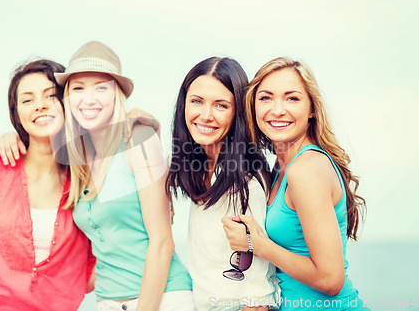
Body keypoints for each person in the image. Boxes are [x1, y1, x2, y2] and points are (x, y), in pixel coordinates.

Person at [0, 60, 96, 311]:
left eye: (51, 96)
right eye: (27, 100)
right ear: (17, 114)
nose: (40, 105)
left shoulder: (87, 183)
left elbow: (92, 272)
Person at [50, 41, 194, 311]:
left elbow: (162, 243)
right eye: (78, 88)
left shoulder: (138, 138)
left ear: (117, 94)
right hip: (107, 302)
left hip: (162, 300)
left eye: (101, 87)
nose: (89, 98)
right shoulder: (78, 159)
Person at [222, 57, 369, 310]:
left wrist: (257, 245)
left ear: (312, 109)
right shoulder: (281, 167)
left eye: (292, 98)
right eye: (266, 98)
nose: (278, 109)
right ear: (253, 107)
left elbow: (330, 279)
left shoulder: (306, 168)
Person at [166, 57, 279, 311]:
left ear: (238, 112)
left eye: (221, 105)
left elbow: (258, 290)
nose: (205, 115)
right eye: (196, 101)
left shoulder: (247, 178)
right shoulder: (200, 165)